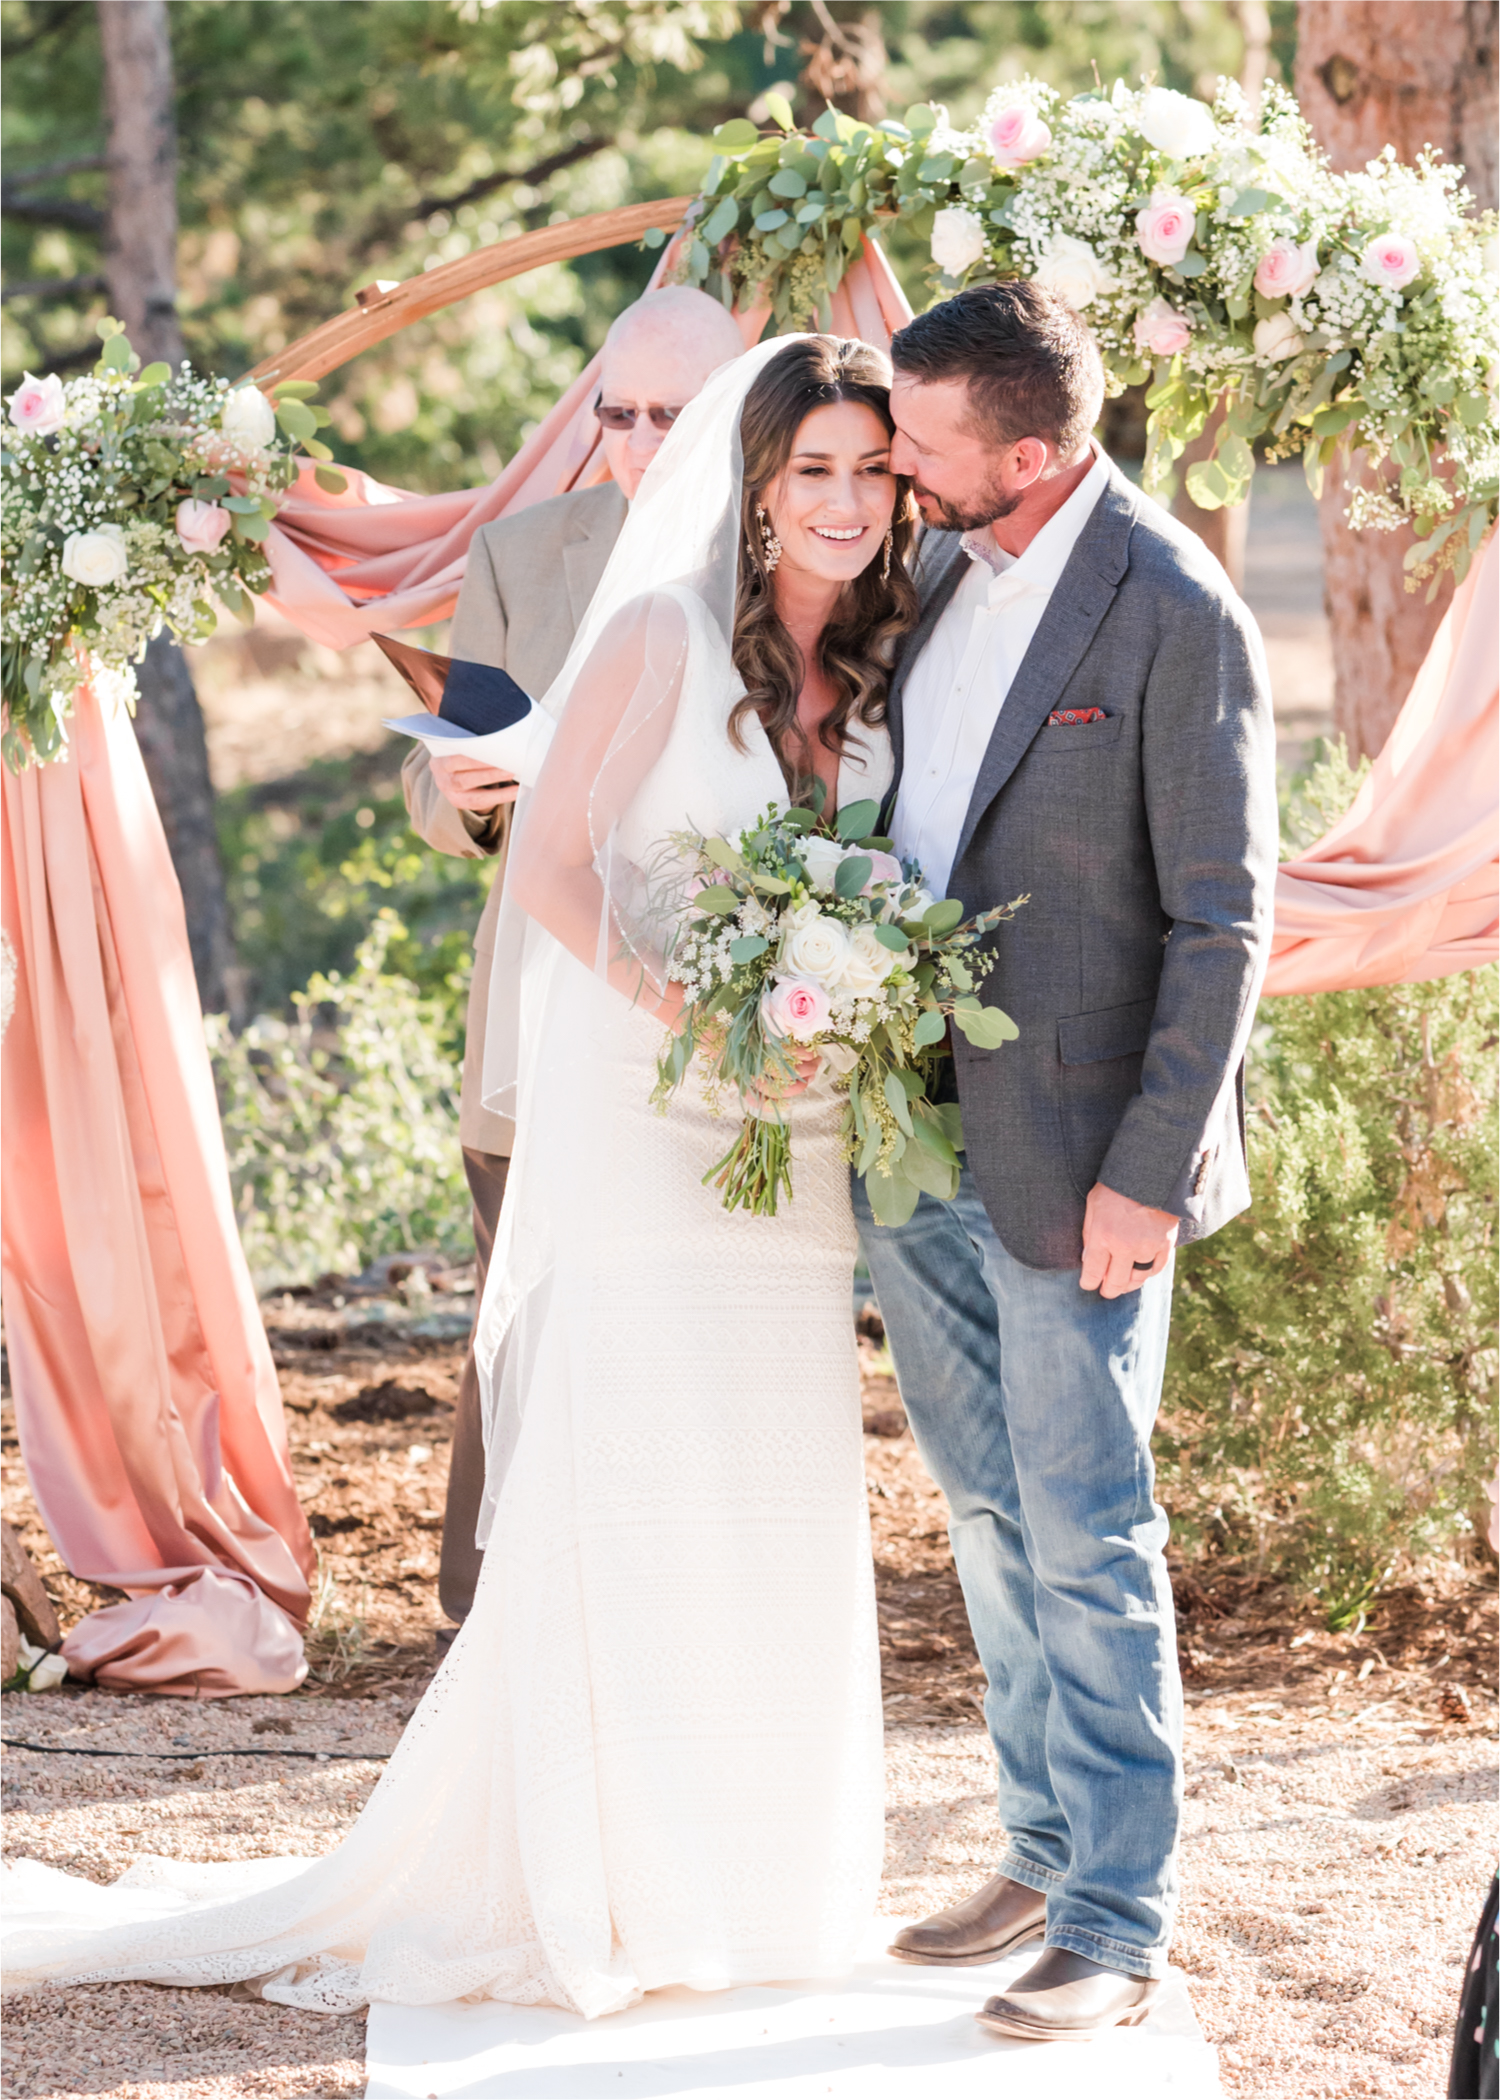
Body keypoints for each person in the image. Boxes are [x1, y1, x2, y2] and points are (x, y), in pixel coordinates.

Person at [2, 333, 921, 2017]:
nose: (847, 503)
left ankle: (760, 1873)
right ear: (757, 480)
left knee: (778, 1483)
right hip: (654, 1116)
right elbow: (557, 871)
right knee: (640, 1468)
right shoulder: (655, 631)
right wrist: (691, 1015)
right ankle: (611, 1878)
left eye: (873, 471)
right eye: (816, 472)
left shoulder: (882, 664)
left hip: (792, 1140)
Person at [855, 282, 1278, 2040]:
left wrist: (1149, 1172)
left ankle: (1118, 1917)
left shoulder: (1176, 606)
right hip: (919, 1138)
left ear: (1030, 453)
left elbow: (1226, 920)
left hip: (1088, 1160)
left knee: (1091, 1527)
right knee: (979, 1502)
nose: (897, 466)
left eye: (926, 444)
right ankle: (1037, 1848)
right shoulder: (946, 570)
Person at [401, 284, 744, 1631]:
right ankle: (491, 1606)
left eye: (673, 413)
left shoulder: (796, 545)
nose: (641, 442)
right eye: (619, 414)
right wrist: (473, 794)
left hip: (711, 989)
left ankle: (664, 1593)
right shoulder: (526, 555)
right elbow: (438, 798)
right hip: (536, 998)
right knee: (524, 1290)